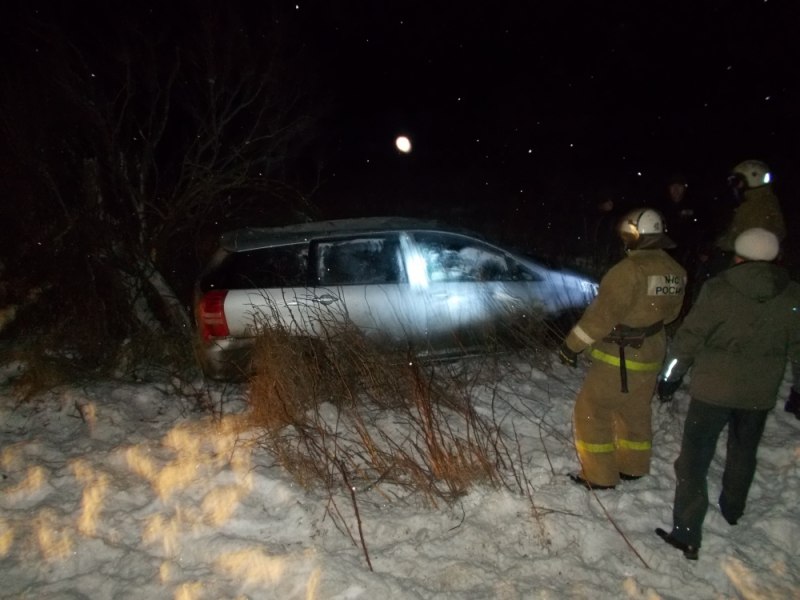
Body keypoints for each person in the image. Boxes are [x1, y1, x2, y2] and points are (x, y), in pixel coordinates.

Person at [655, 228, 800, 560]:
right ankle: (733, 508)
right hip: (758, 394)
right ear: (777, 259)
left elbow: (689, 337)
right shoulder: (792, 295)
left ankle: (687, 532)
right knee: (743, 451)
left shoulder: (719, 290)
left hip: (713, 392)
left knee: (694, 460)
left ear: (737, 257)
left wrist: (670, 375)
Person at [559, 208, 687, 489]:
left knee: (591, 411)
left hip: (620, 357)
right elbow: (671, 315)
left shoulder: (628, 271)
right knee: (635, 411)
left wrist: (571, 346)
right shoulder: (675, 271)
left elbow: (600, 317)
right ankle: (634, 466)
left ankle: (599, 475)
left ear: (633, 236)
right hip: (652, 352)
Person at [701, 160, 787, 283]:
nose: (736, 187)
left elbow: (746, 237)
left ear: (752, 180)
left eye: (738, 182)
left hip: (752, 260)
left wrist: (717, 246)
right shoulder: (760, 201)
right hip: (757, 257)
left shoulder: (757, 206)